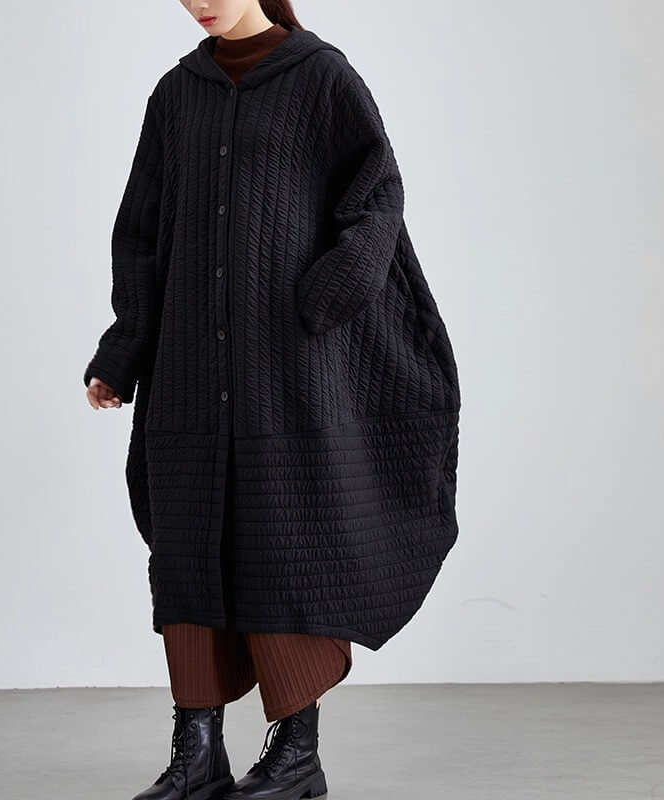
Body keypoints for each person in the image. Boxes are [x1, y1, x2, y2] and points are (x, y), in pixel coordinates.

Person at [83, 2, 461, 799]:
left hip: (284, 372)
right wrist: (123, 353)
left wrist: (326, 294)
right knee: (187, 551)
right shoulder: (175, 93)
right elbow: (142, 231)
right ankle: (197, 756)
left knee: (285, 544)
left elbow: (377, 196)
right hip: (188, 368)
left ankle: (296, 757)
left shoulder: (321, 77)